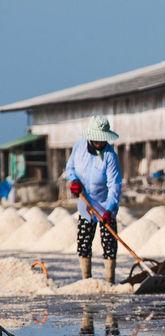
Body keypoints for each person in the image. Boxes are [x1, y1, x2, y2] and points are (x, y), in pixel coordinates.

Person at [65, 115, 122, 283]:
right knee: (83, 244)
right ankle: (86, 280)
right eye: (96, 139)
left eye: (102, 140)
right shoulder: (79, 146)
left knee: (109, 244)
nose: (99, 142)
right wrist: (74, 180)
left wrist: (109, 210)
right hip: (85, 204)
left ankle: (109, 280)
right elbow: (70, 168)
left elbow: (115, 185)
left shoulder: (110, 156)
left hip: (105, 205)